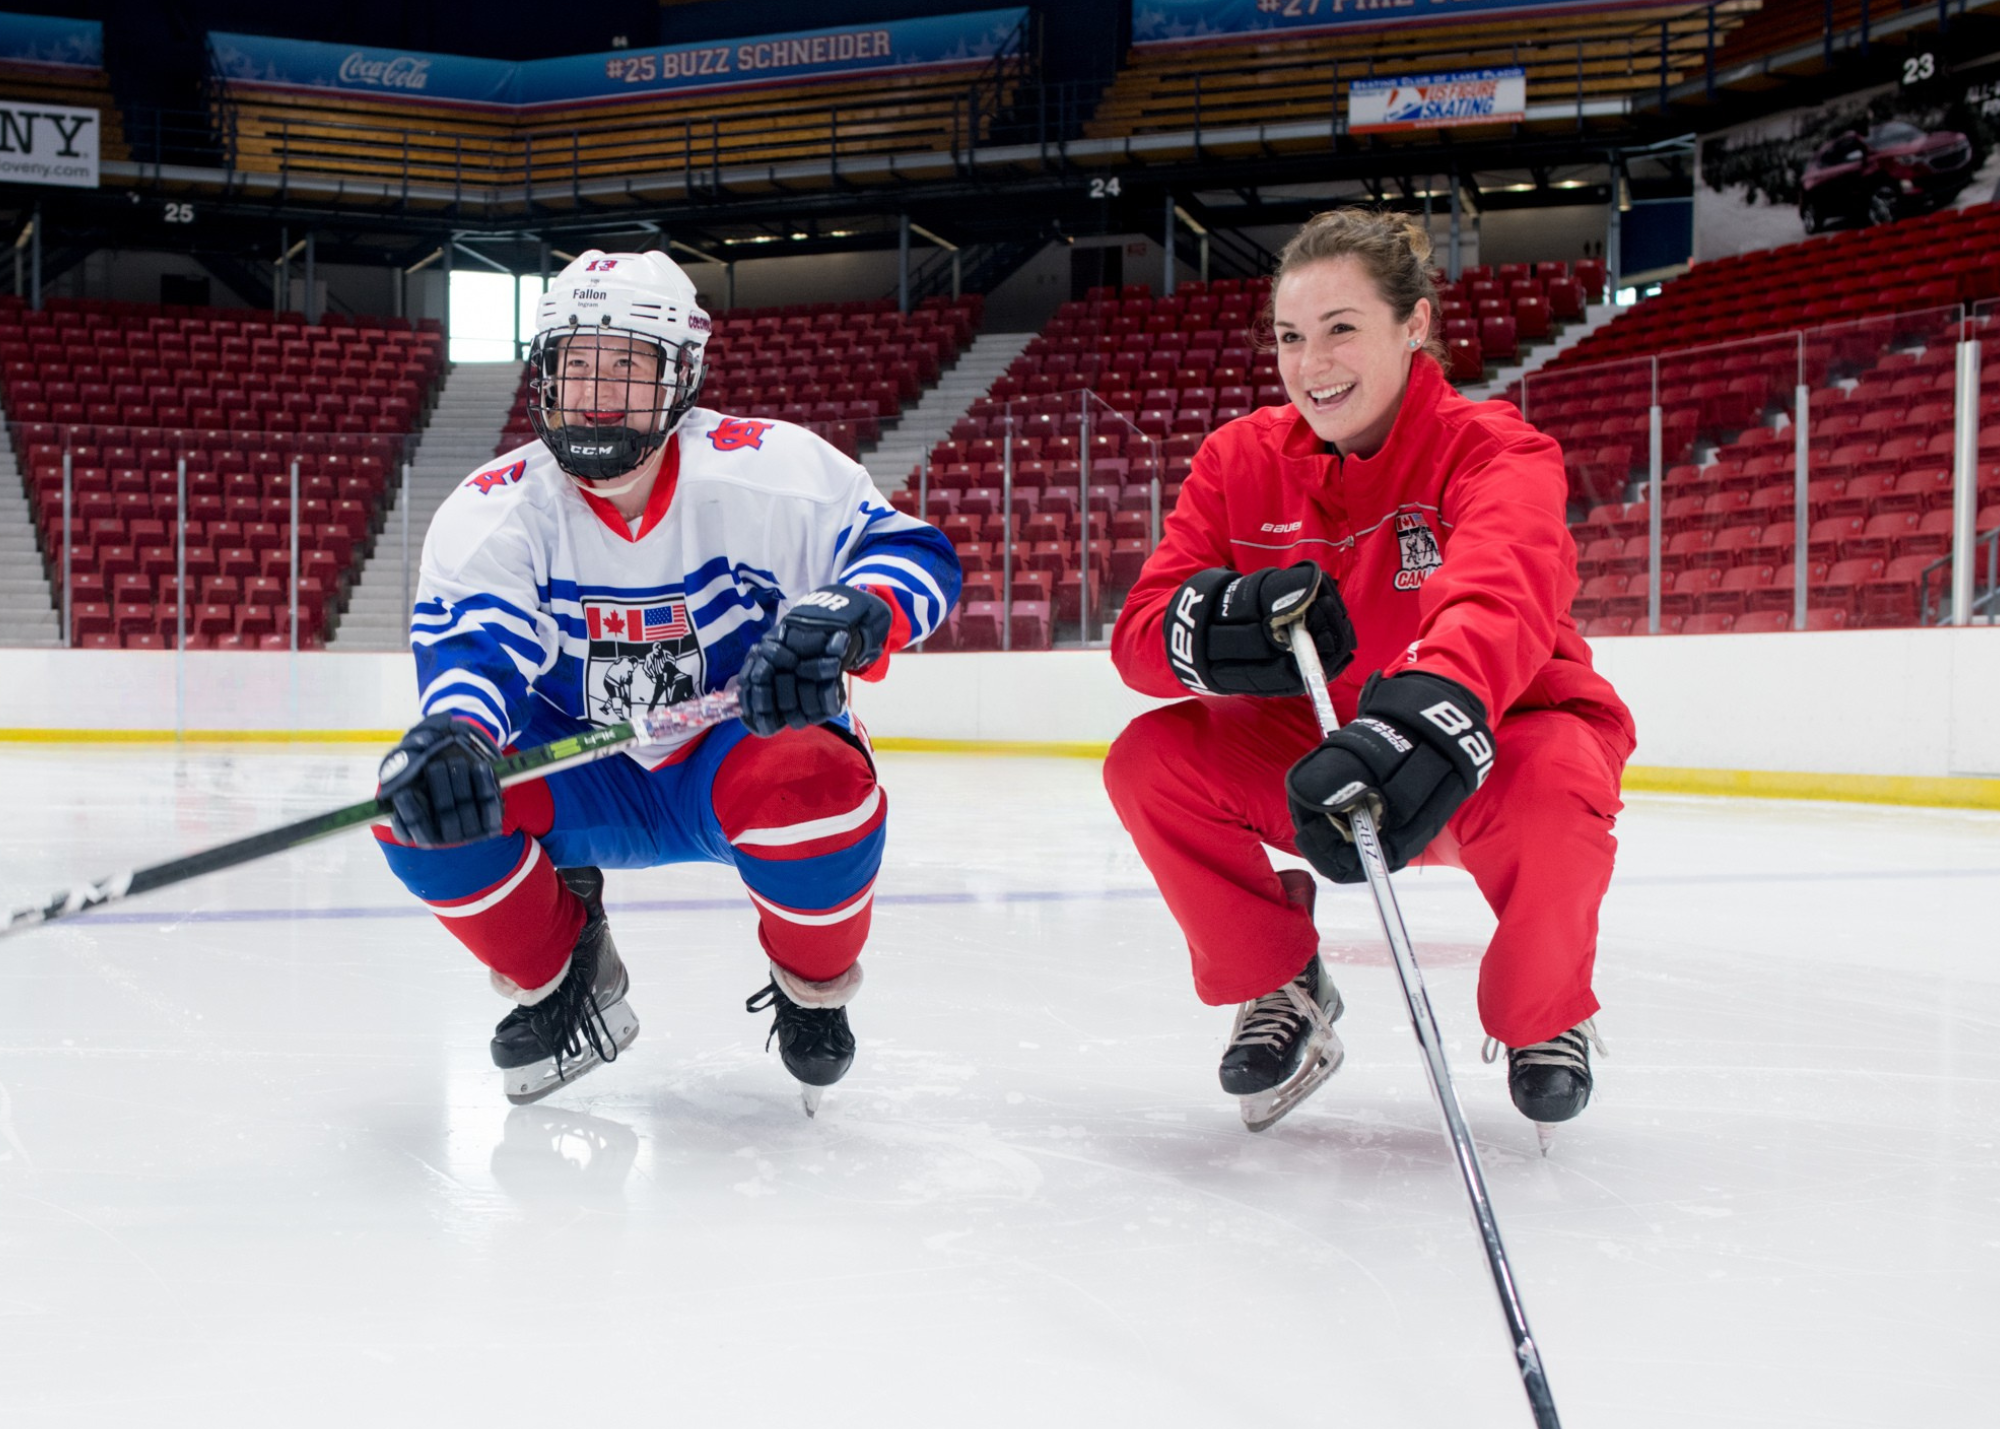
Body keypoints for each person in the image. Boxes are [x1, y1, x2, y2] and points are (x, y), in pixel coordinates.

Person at [372, 250, 960, 1110]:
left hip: (734, 755)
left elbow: (912, 553)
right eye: (576, 364)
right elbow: (475, 651)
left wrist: (852, 612)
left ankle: (809, 985)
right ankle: (566, 969)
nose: (597, 392)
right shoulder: (494, 506)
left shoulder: (766, 468)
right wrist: (460, 736)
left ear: (681, 375)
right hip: (579, 762)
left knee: (820, 783)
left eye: (625, 365)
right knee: (420, 803)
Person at [1103, 209, 1635, 1133]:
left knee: (1560, 780)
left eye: (1342, 328)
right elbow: (1141, 634)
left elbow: (1499, 594)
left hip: (1480, 743)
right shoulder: (1238, 461)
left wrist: (1427, 713)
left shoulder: (1497, 450)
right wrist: (1225, 625)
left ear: (1414, 325)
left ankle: (1545, 1014)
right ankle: (1282, 983)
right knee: (1150, 762)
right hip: (1320, 756)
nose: (1313, 364)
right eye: (1290, 337)